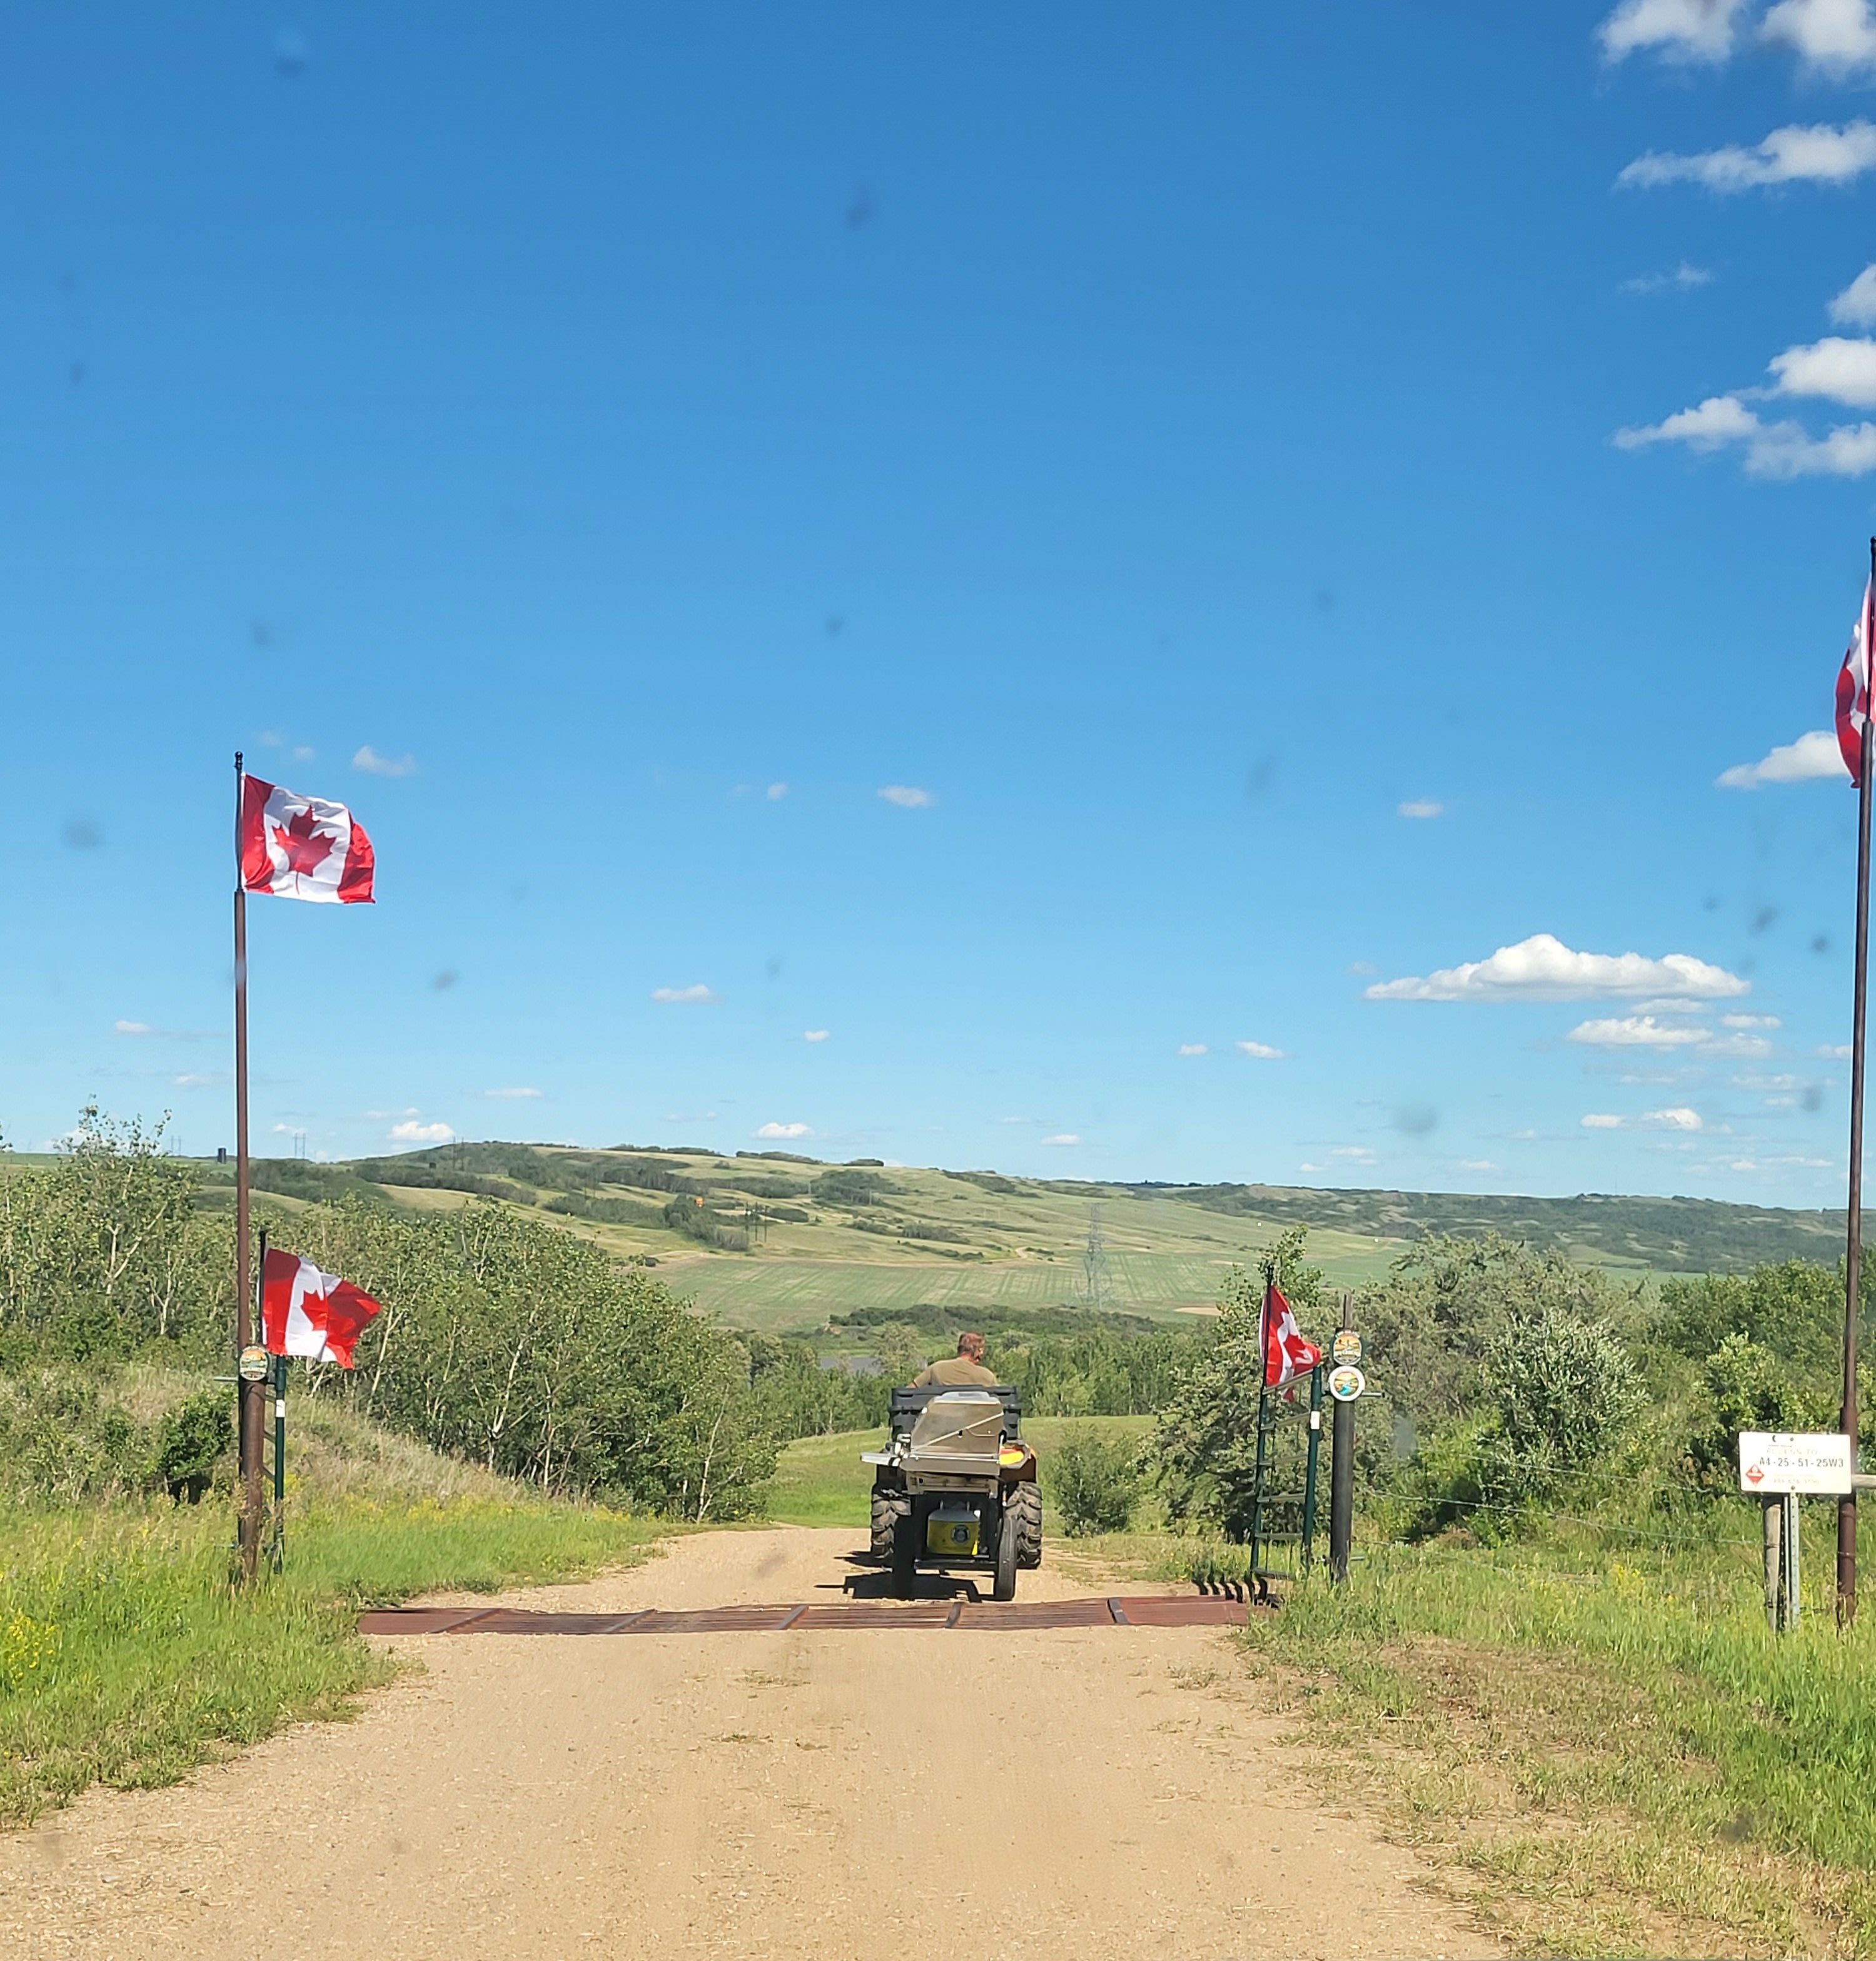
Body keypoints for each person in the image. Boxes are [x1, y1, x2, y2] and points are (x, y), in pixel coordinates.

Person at [910, 1331, 999, 1388]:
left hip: (942, 1416)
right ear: (979, 1352)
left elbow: (910, 1391)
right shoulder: (988, 1376)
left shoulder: (937, 1368)